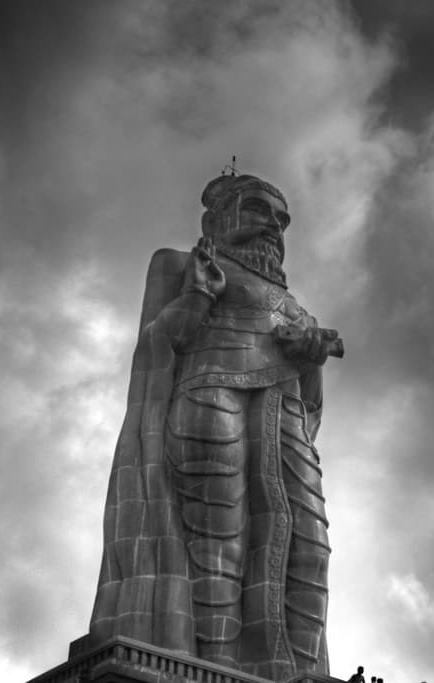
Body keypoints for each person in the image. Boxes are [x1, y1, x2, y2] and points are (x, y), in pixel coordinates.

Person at [89, 173, 339, 680]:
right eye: (257, 209)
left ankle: (298, 670)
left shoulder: (293, 302)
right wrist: (200, 296)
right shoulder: (179, 264)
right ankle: (214, 667)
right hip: (210, 397)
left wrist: (310, 355)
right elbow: (159, 343)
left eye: (281, 219)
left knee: (308, 546)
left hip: (284, 415)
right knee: (218, 543)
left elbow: (312, 401)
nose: (272, 225)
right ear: (216, 217)